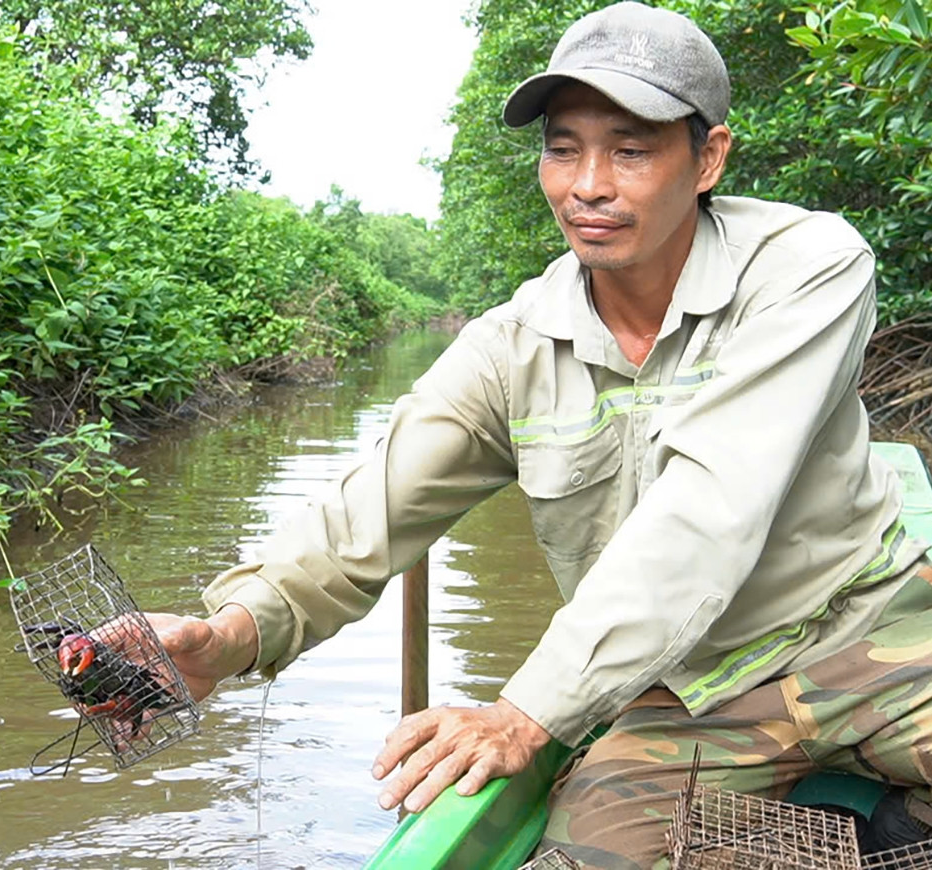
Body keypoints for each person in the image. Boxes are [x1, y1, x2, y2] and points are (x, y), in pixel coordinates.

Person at [148, 2, 932, 865]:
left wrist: (525, 713)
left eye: (630, 149)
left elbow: (709, 510)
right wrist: (227, 636)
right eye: (563, 148)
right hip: (688, 683)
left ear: (707, 158)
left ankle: (890, 829)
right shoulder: (509, 347)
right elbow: (362, 515)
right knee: (590, 848)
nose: (587, 184)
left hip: (863, 628)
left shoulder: (806, 265)